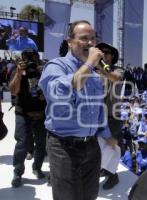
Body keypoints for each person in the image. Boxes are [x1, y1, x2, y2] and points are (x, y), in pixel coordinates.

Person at [38, 20, 114, 200]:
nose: (90, 43)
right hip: (64, 147)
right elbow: (60, 94)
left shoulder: (95, 74)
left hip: (91, 145)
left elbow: (98, 107)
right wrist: (89, 64)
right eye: (84, 38)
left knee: (89, 195)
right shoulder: (56, 66)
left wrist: (106, 132)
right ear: (69, 41)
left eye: (93, 39)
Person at [9, 48, 47, 187]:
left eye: (33, 58)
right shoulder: (17, 70)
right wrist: (19, 73)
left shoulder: (44, 72)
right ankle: (17, 173)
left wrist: (45, 94)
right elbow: (13, 91)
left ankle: (37, 167)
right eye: (27, 59)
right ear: (22, 60)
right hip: (23, 113)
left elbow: (52, 91)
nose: (30, 62)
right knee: (22, 144)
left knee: (42, 144)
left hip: (41, 114)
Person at [95, 42, 124, 190]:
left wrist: (100, 66)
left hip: (112, 117)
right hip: (95, 116)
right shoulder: (92, 70)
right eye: (101, 52)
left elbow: (115, 78)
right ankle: (103, 169)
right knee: (96, 147)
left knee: (110, 147)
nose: (103, 54)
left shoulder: (118, 70)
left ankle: (113, 176)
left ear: (112, 56)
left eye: (107, 52)